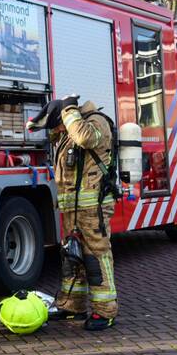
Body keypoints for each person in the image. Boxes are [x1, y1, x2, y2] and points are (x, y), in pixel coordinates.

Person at [27, 96, 118, 331]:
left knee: (95, 257)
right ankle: (72, 306)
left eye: (58, 124)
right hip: (74, 210)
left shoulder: (96, 123)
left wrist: (67, 111)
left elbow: (84, 138)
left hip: (93, 207)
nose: (57, 130)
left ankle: (105, 312)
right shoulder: (70, 129)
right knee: (72, 257)